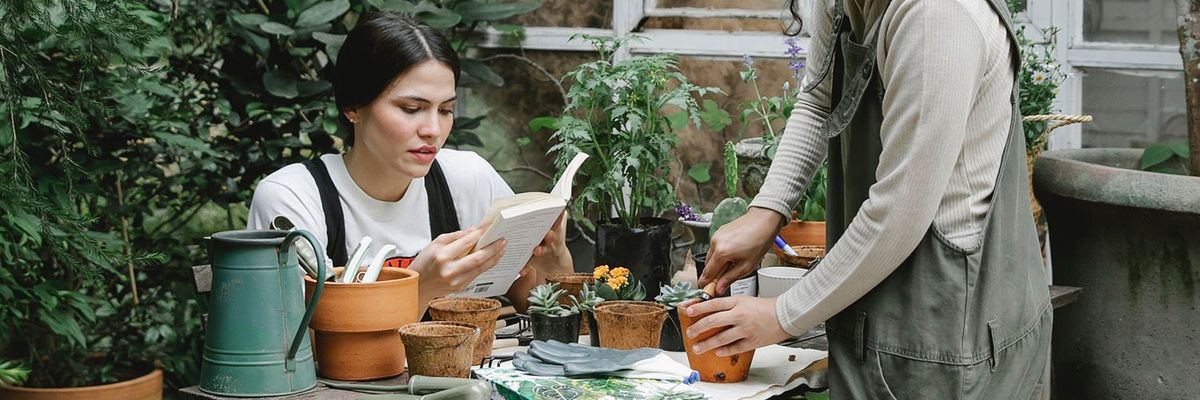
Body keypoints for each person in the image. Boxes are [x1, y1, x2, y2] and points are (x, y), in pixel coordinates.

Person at [687, 0, 1052, 398]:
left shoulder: (938, 17)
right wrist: (767, 210)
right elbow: (818, 100)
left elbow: (898, 214)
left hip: (950, 333)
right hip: (880, 312)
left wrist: (782, 315)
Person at [246, 12, 572, 314]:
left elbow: (541, 306)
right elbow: (300, 345)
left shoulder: (468, 178)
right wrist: (422, 285)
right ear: (353, 107)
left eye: (445, 110)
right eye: (411, 108)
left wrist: (553, 252)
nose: (432, 130)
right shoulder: (294, 198)